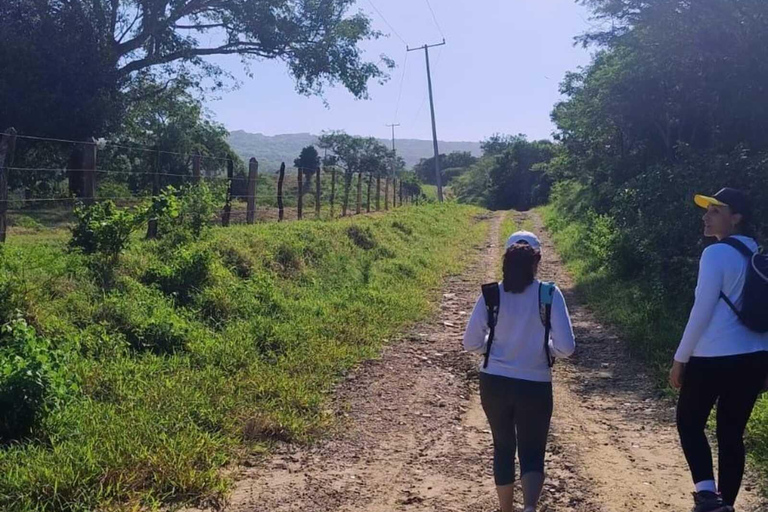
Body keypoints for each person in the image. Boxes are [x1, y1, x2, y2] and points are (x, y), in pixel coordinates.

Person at [669, 188, 768, 512]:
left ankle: (708, 495)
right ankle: (726, 503)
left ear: (736, 217)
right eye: (707, 210)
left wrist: (680, 358)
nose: (706, 216)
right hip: (754, 357)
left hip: (712, 357)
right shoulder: (756, 253)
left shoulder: (715, 254)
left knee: (689, 422)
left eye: (715, 210)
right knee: (731, 433)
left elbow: (702, 310)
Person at [463, 231, 575, 512]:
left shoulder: (491, 293)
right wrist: (546, 348)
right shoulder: (549, 294)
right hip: (535, 384)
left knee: (503, 448)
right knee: (532, 451)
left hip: (494, 384)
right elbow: (566, 347)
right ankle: (529, 508)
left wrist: (495, 345)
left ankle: (505, 509)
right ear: (538, 260)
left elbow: (470, 343)